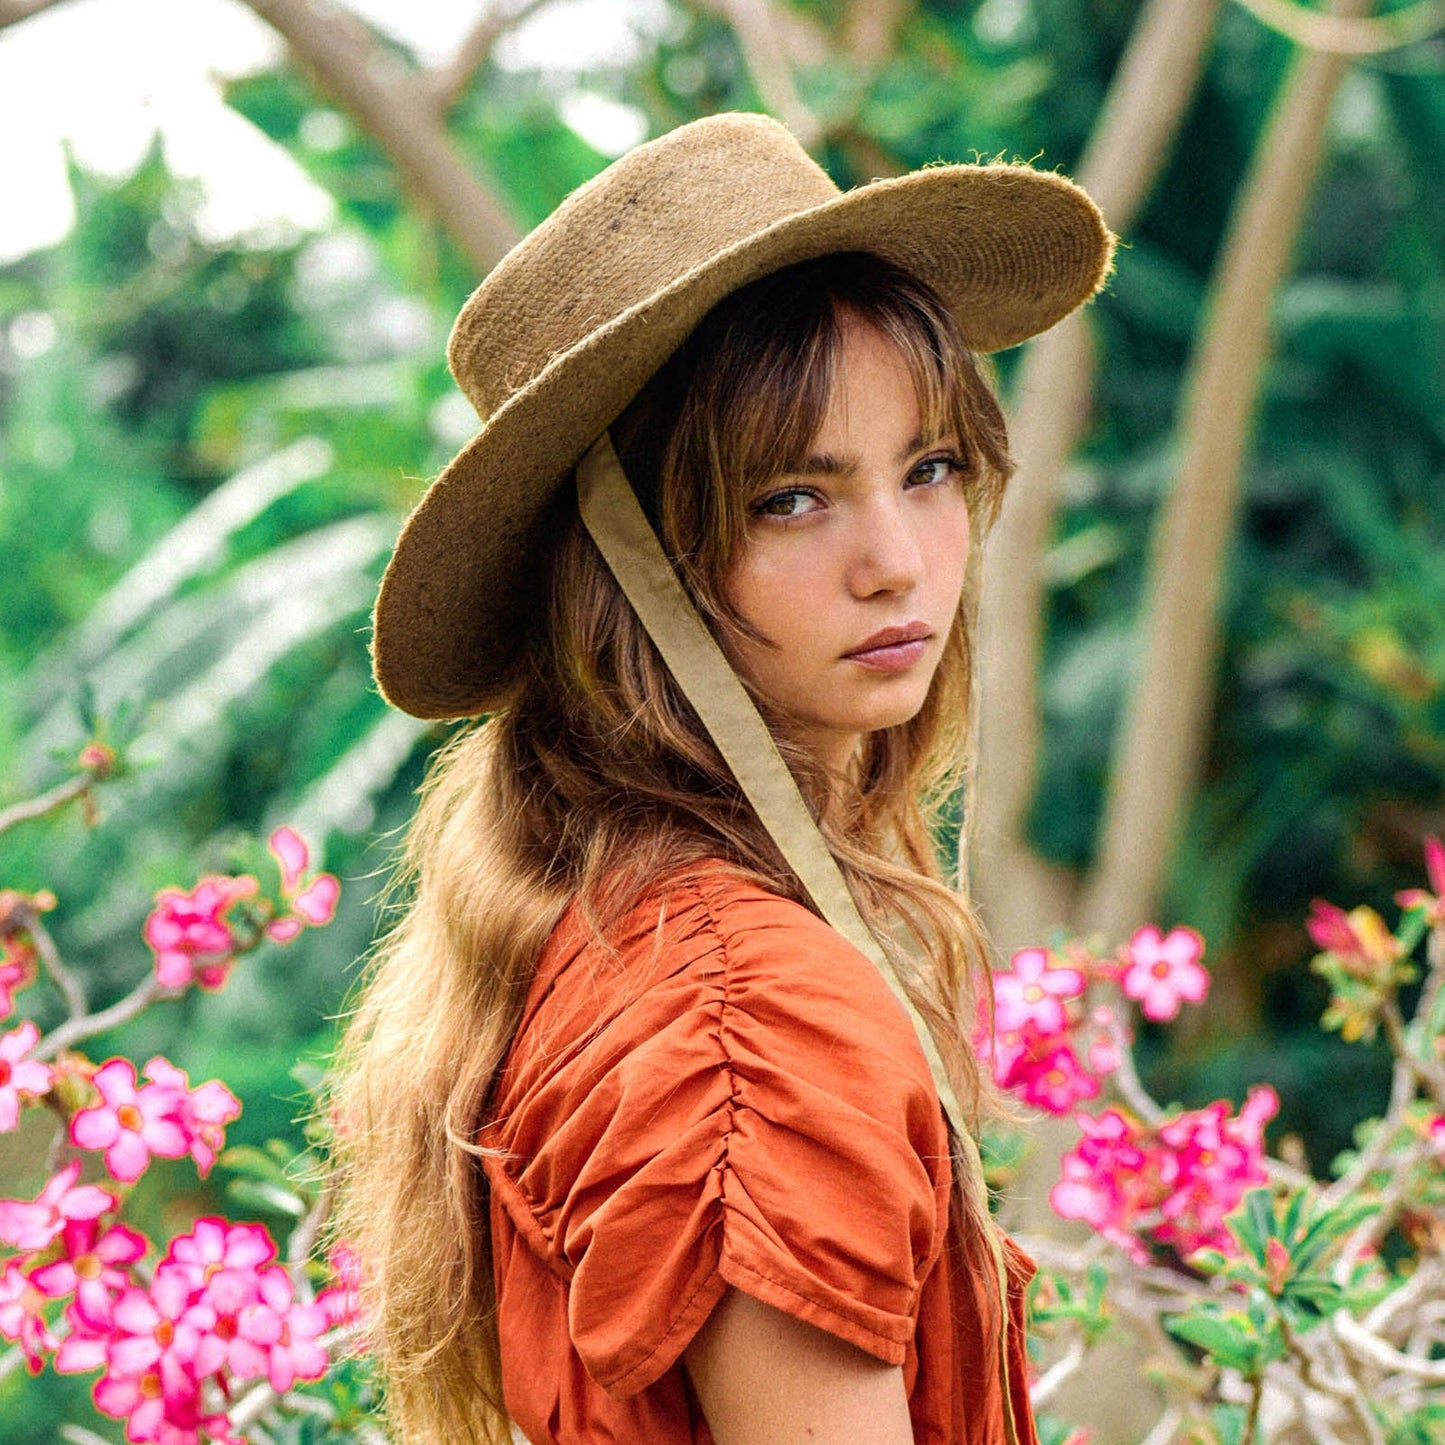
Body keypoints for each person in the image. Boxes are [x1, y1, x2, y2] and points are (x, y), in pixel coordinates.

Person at [329, 112, 1113, 1445]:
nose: (896, 560)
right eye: (791, 498)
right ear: (630, 573)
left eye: (925, 469)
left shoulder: (605, 917)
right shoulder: (749, 1023)